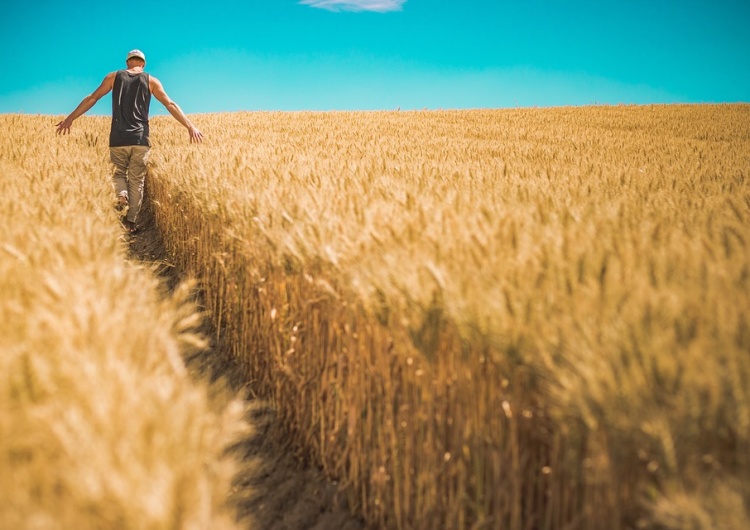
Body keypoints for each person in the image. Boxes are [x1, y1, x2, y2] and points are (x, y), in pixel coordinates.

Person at [56, 49, 203, 233]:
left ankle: (121, 194)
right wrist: (190, 126)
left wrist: (70, 118)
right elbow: (170, 104)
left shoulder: (113, 77)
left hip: (118, 137)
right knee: (137, 181)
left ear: (127, 63)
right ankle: (130, 222)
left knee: (118, 175)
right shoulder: (151, 80)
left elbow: (92, 98)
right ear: (143, 64)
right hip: (141, 139)